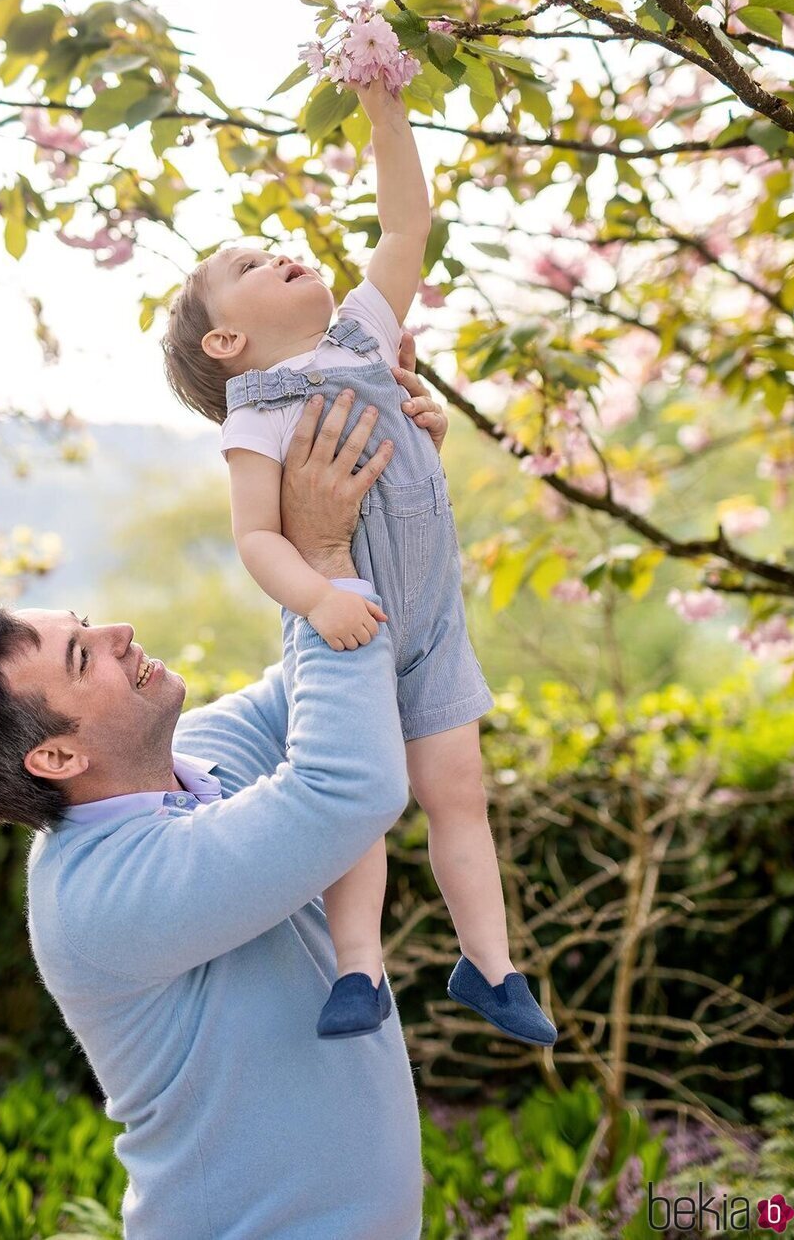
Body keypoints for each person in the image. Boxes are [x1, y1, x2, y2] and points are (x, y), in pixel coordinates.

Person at [0, 374, 447, 1240]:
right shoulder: (101, 897)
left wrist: (398, 479)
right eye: (82, 658)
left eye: (85, 622)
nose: (116, 633)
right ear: (56, 756)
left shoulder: (198, 759)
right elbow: (349, 788)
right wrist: (314, 560)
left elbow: (357, 646)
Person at [161, 77, 557, 1049]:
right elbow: (257, 536)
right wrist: (318, 596)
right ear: (228, 339)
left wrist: (385, 113)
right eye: (253, 262)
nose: (283, 251)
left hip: (431, 618)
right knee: (362, 799)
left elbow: (404, 229)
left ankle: (491, 966)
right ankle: (357, 970)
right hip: (341, 621)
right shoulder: (259, 409)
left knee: (457, 792)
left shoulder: (360, 339)